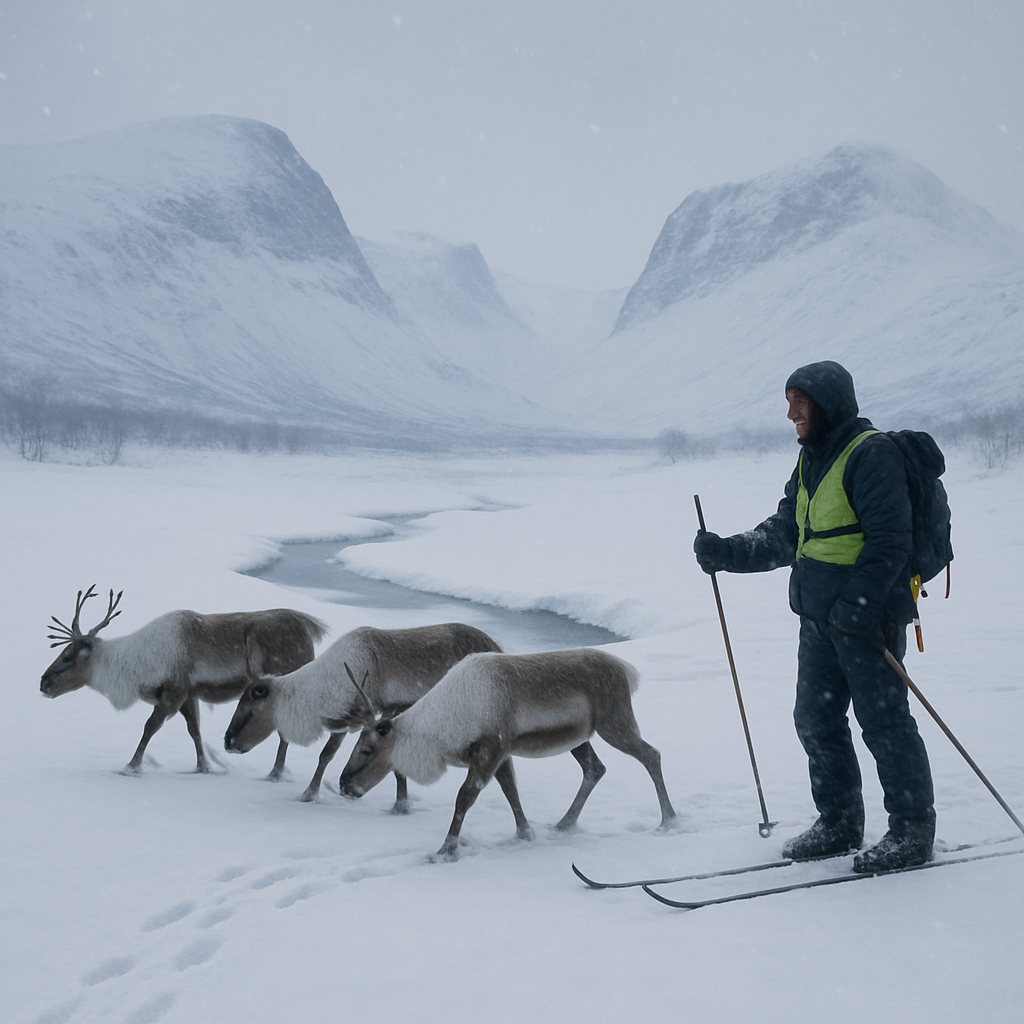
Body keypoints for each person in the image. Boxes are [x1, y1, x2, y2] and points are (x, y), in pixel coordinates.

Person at [694, 360, 935, 872]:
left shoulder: (872, 456)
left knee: (884, 724)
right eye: (789, 402)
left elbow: (892, 543)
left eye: (799, 403)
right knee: (816, 719)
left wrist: (859, 608)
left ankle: (913, 832)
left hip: (866, 623)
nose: (791, 414)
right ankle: (840, 822)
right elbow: (786, 532)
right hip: (820, 622)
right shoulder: (810, 460)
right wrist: (727, 552)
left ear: (827, 404)